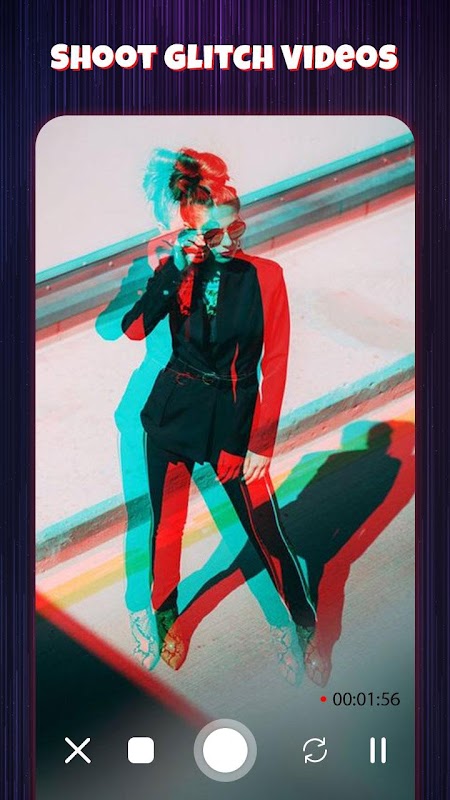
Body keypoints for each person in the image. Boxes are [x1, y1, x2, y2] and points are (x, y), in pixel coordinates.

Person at [121, 149, 316, 683]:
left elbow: (275, 362)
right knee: (167, 528)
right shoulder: (177, 266)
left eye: (236, 228)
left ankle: (302, 621)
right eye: (214, 233)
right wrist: (174, 269)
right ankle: (164, 618)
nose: (228, 241)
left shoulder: (267, 276)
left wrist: (262, 442)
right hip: (174, 414)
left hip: (234, 424)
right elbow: (134, 330)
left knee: (265, 529)